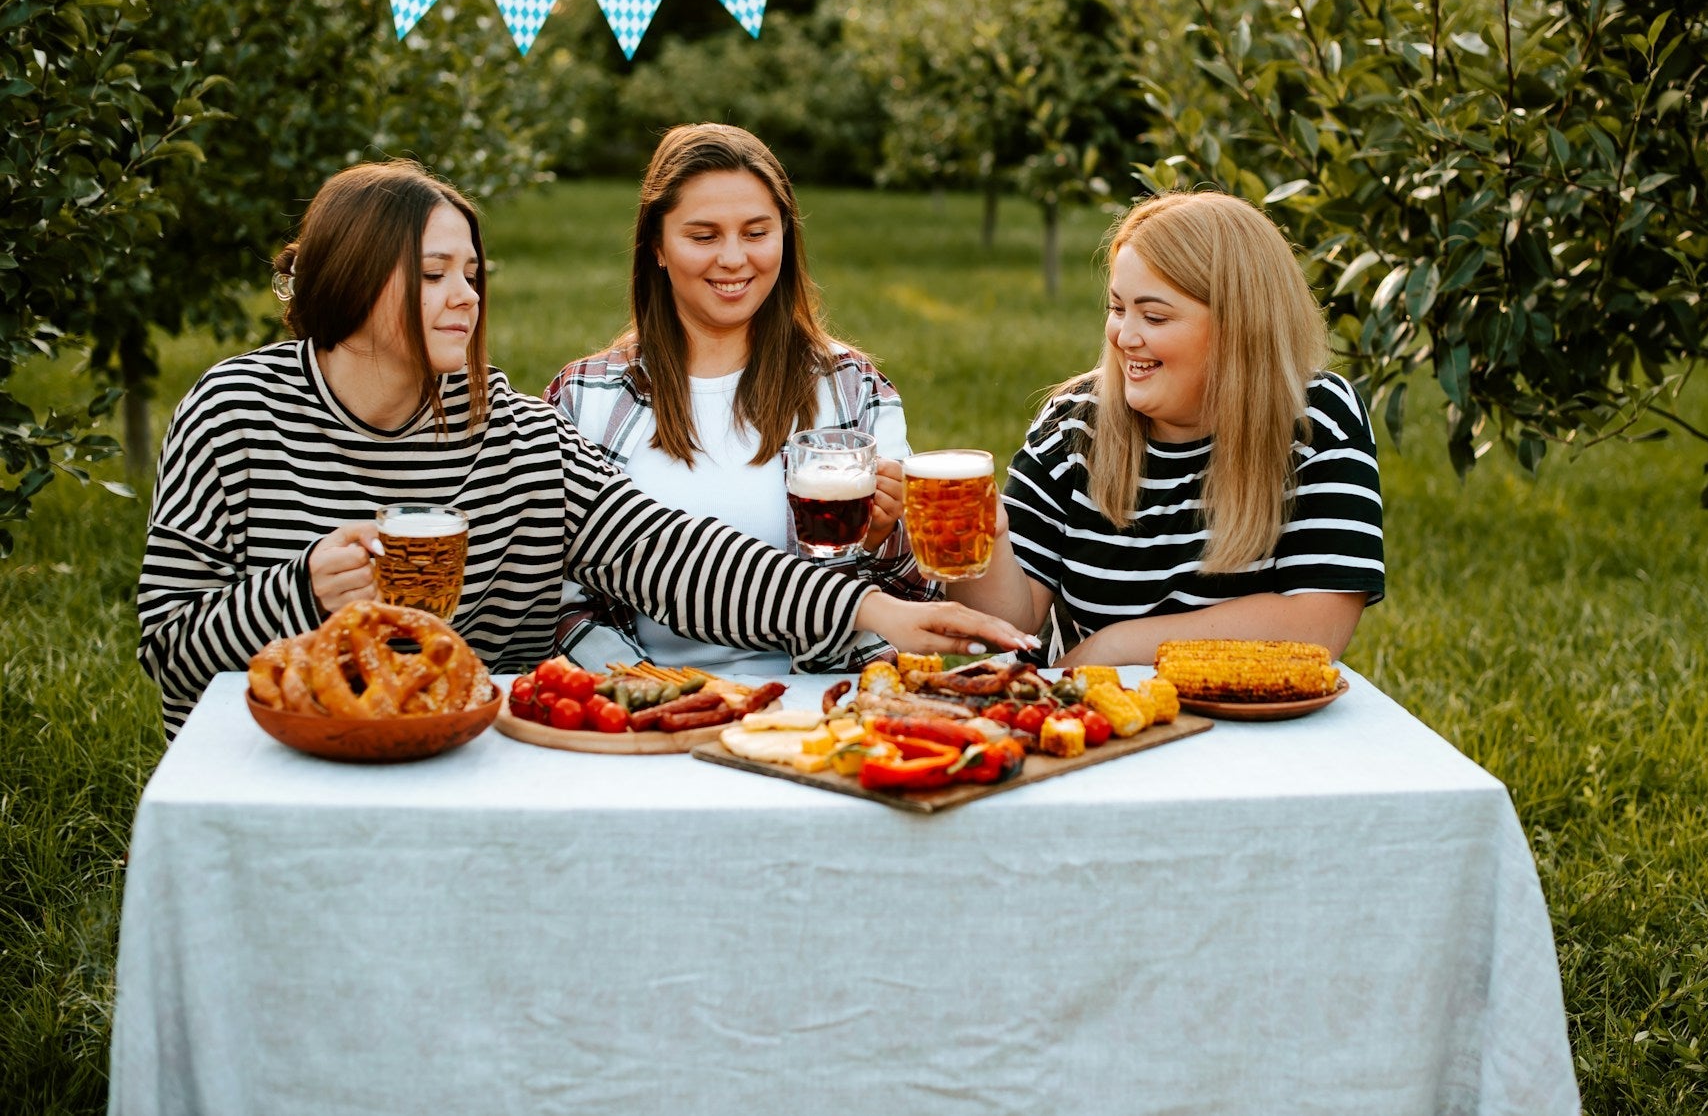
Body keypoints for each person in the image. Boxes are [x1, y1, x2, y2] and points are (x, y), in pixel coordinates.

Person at [137, 159, 1031, 739]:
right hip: (272, 755)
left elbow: (670, 552)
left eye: (473, 274)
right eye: (434, 274)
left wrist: (876, 616)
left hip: (466, 758)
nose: (465, 299)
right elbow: (167, 647)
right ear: (352, 277)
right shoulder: (235, 411)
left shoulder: (516, 432)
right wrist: (297, 592)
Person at [545, 125, 936, 676]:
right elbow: (558, 600)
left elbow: (913, 601)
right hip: (640, 710)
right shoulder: (584, 397)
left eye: (756, 232)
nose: (733, 259)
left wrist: (879, 537)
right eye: (703, 236)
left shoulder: (850, 385)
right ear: (656, 246)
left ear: (785, 238)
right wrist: (651, 692)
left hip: (819, 704)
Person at [948, 191, 1385, 667]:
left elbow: (1315, 628)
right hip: (1097, 729)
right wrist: (986, 539)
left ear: (1239, 326)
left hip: (1257, 728)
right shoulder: (1074, 423)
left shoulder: (1315, 419)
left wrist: (1113, 647)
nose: (1125, 337)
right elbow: (1010, 626)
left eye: (1153, 316)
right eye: (1118, 309)